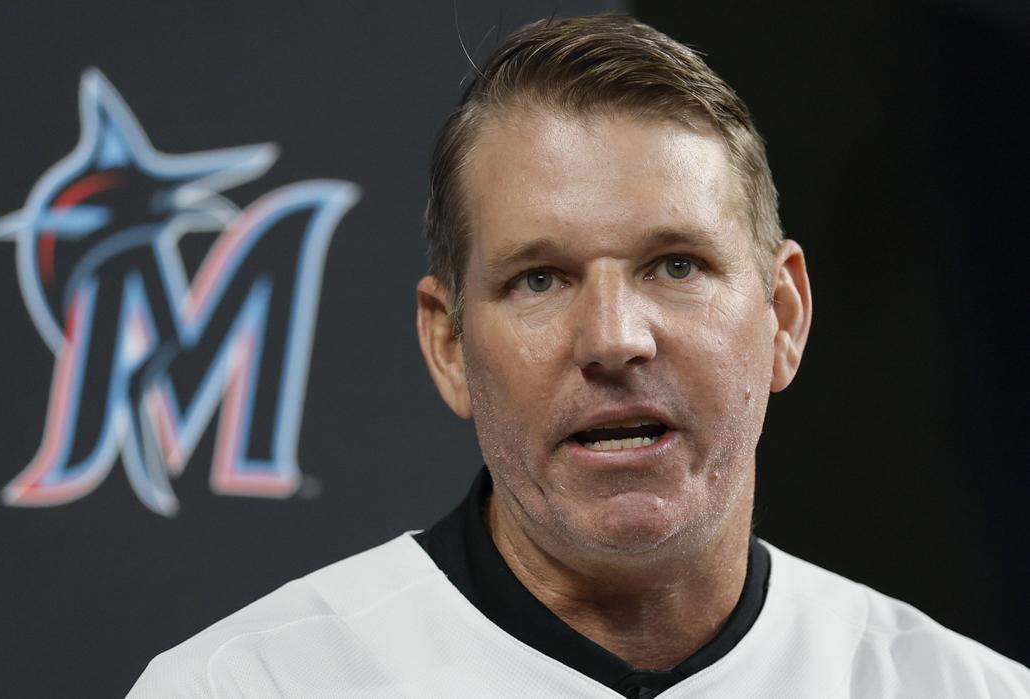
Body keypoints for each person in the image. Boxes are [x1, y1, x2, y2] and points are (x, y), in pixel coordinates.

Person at [129, 14, 1030, 697]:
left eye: (676, 265)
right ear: (448, 343)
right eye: (540, 278)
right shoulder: (247, 685)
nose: (613, 339)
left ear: (783, 315)